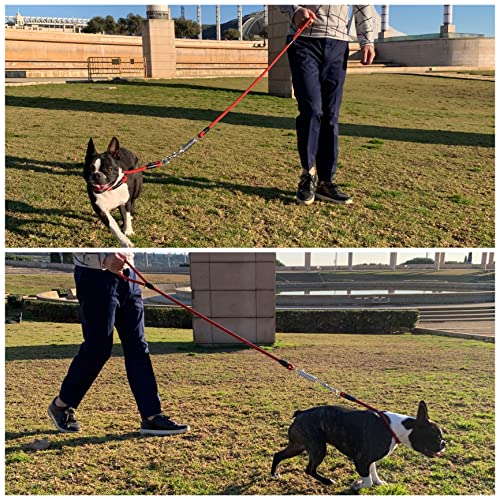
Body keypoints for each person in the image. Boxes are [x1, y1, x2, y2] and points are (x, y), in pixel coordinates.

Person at [48, 252, 189, 436]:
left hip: (129, 277)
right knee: (98, 348)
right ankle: (61, 405)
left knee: (138, 348)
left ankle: (151, 416)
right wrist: (103, 259)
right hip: (95, 276)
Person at [282, 5, 376, 205]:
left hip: (338, 43)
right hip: (303, 39)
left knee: (331, 115)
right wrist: (295, 9)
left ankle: (326, 181)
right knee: (311, 109)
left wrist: (367, 40)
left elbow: (363, 6)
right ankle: (308, 175)